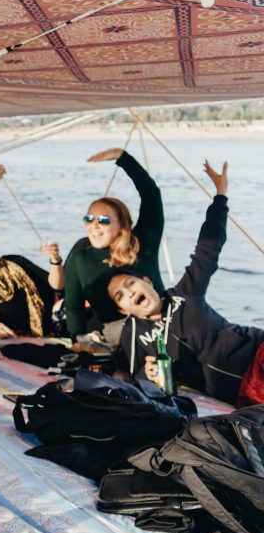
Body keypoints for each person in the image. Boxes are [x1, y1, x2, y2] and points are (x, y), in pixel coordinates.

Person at [110, 161, 263, 406]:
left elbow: (208, 248)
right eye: (120, 295)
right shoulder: (134, 334)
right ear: (124, 310)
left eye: (130, 283)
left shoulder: (185, 294)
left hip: (257, 353)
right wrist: (145, 375)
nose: (129, 292)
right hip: (241, 393)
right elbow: (131, 379)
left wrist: (220, 196)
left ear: (147, 282)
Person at [63, 147, 164, 342]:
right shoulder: (80, 258)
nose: (94, 226)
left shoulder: (143, 243)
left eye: (103, 220)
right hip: (121, 339)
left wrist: (122, 157)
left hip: (162, 324)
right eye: (89, 219)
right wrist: (78, 340)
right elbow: (73, 307)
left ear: (121, 225)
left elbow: (151, 194)